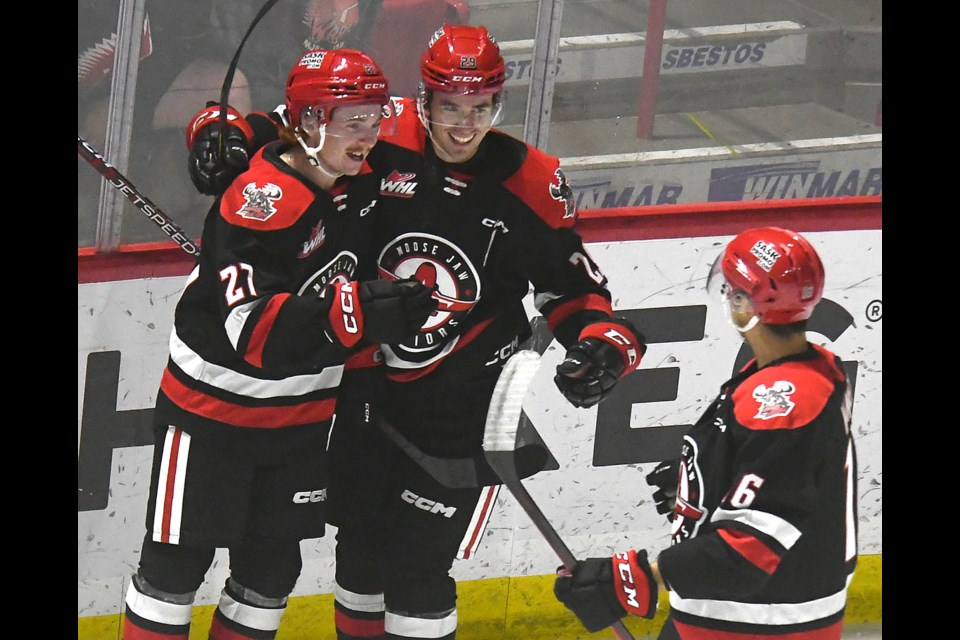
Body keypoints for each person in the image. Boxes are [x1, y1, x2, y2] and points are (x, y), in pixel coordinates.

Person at [184, 23, 649, 640]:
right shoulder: (379, 130)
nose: (464, 125)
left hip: (458, 406)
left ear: (498, 104)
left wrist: (602, 343)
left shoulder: (531, 181)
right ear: (423, 99)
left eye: (480, 108)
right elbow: (288, 123)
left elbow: (573, 288)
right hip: (365, 394)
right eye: (449, 106)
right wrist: (223, 133)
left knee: (418, 573)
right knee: (359, 561)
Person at [121, 48, 437, 640]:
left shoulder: (358, 164)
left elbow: (437, 125)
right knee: (175, 566)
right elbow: (253, 334)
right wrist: (357, 316)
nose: (371, 133)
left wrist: (226, 125)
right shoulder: (260, 201)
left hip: (304, 415)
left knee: (271, 571)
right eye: (356, 120)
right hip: (213, 412)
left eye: (374, 117)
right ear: (313, 123)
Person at [553, 227, 859, 640]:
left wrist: (639, 577)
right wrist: (709, 485)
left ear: (741, 304)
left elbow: (751, 547)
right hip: (735, 609)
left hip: (758, 622)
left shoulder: (786, 405)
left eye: (732, 289)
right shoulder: (810, 369)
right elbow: (794, 484)